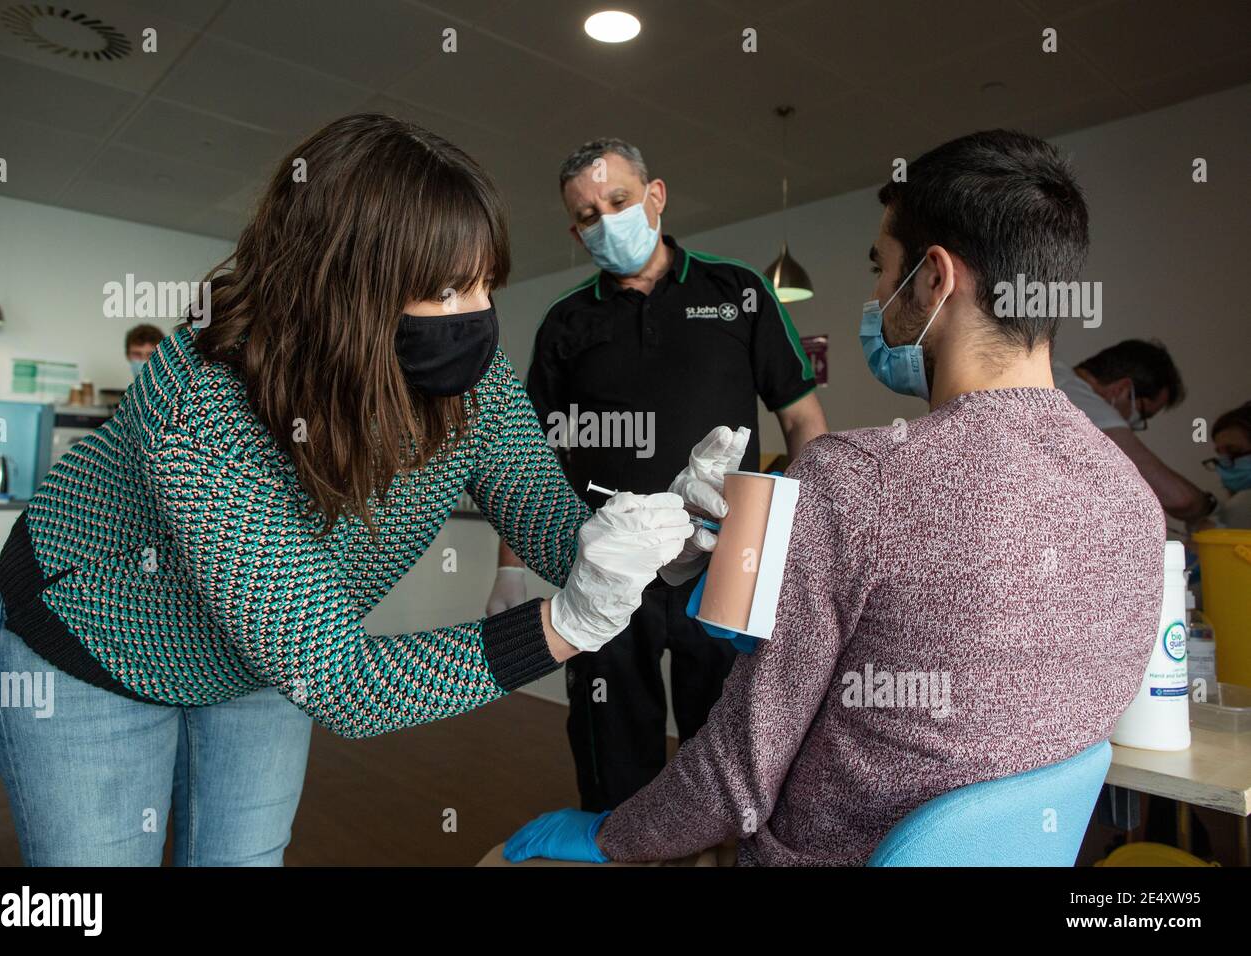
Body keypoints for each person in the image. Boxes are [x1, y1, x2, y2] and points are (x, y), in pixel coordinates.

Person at [0, 114, 739, 866]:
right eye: (446, 288)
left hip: (262, 658)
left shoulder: (470, 385)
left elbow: (548, 519)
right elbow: (343, 683)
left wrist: (663, 535)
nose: (477, 317)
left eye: (484, 283)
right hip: (97, 640)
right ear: (341, 290)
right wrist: (565, 625)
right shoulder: (204, 405)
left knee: (243, 858)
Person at [501, 129, 1166, 866]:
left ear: (934, 279)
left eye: (882, 269)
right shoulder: (1132, 499)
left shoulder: (859, 479)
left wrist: (605, 835)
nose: (877, 296)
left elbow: (732, 787)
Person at [485, 137, 828, 812]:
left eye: (617, 200)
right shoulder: (566, 324)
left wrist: (800, 536)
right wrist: (509, 568)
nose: (605, 222)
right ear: (574, 229)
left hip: (723, 562)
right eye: (587, 215)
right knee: (611, 752)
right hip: (608, 569)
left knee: (729, 750)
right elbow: (529, 458)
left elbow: (804, 422)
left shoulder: (739, 292)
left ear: (655, 196)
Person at [1052, 340, 1217, 523]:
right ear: (1122, 389)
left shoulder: (1055, 377)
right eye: (1143, 415)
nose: (1135, 425)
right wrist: (1208, 506)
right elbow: (1180, 500)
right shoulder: (1078, 398)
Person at [1203, 401, 1251, 527]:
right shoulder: (1237, 504)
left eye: (1234, 451)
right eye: (1220, 454)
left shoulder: (1241, 505)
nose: (1224, 463)